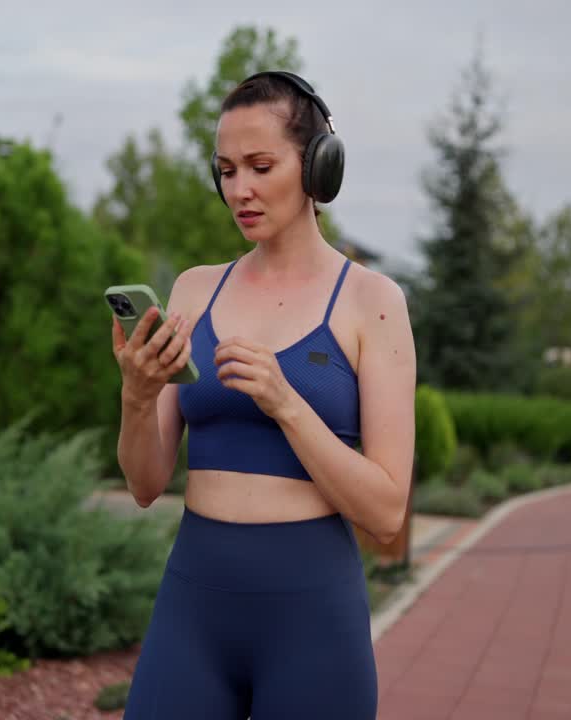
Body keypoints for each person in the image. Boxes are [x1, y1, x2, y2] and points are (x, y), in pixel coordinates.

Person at [110, 70, 416, 719]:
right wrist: (137, 396)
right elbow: (142, 485)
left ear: (318, 167)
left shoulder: (372, 302)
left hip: (312, 616)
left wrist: (287, 404)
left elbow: (387, 514)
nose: (239, 190)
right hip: (193, 605)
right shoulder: (195, 291)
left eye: (260, 165)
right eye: (225, 171)